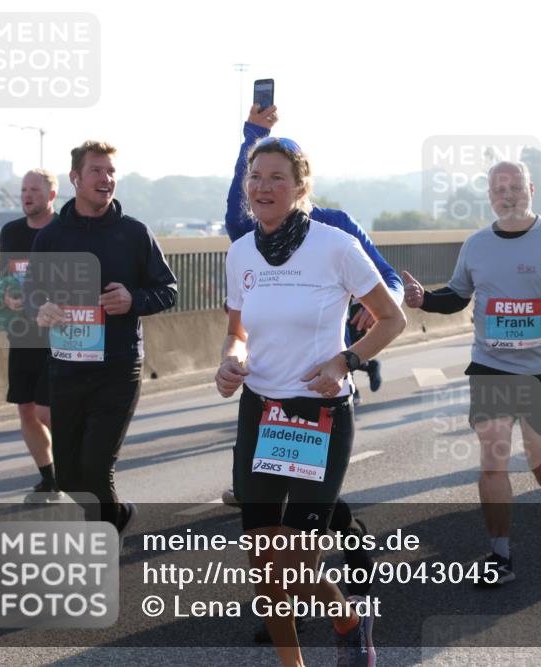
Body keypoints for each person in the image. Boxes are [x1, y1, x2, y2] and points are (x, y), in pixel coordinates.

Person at [216, 135, 405, 665]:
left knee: (296, 561)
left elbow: (393, 318)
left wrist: (345, 360)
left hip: (317, 415)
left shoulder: (334, 246)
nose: (263, 187)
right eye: (256, 177)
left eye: (277, 177)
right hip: (261, 411)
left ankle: (348, 620)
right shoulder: (240, 252)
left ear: (301, 188)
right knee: (263, 563)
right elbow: (237, 331)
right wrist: (230, 360)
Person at [403, 160, 541, 584]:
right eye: (498, 188)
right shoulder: (476, 245)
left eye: (514, 186)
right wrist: (424, 300)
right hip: (492, 366)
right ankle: (500, 554)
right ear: (490, 195)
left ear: (530, 189)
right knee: (492, 460)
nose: (507, 194)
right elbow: (458, 296)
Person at [25, 141, 177, 532]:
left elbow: (169, 290)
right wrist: (41, 308)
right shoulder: (52, 237)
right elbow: (32, 293)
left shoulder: (135, 233)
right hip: (66, 369)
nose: (106, 179)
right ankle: (120, 515)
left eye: (111, 171)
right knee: (71, 478)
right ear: (76, 177)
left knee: (95, 469)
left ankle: (105, 539)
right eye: (96, 170)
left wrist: (133, 299)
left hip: (118, 367)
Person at [0, 169, 59, 496]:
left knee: (47, 411)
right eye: (23, 189)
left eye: (34, 189)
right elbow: (5, 277)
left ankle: (75, 470)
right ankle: (49, 478)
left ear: (51, 195)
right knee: (26, 409)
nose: (27, 195)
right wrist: (7, 295)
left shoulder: (65, 230)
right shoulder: (10, 232)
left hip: (56, 335)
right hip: (21, 334)